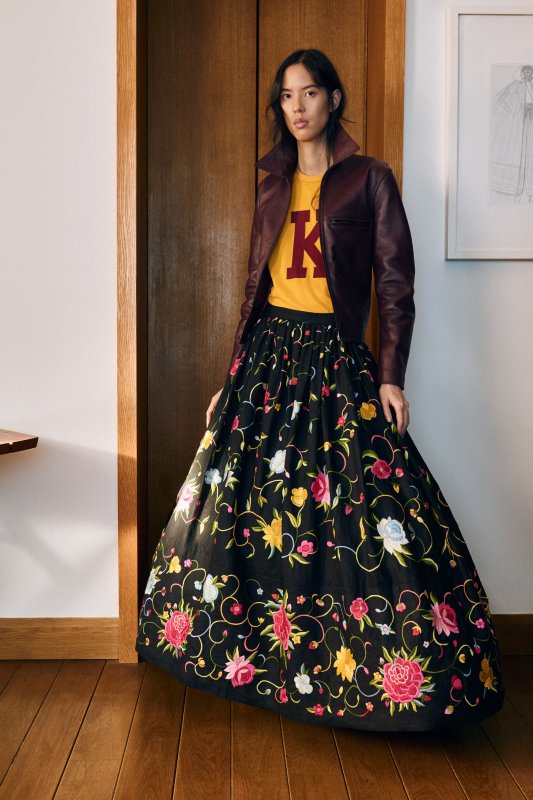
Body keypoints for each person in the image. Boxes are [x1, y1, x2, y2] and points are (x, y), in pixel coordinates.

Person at [136, 49, 505, 731]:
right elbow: (254, 288)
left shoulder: (370, 179)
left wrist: (389, 375)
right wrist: (230, 377)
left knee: (362, 509)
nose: (297, 107)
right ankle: (262, 663)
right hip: (268, 357)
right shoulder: (271, 185)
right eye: (286, 96)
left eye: (309, 93)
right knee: (247, 512)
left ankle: (375, 674)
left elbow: (395, 285)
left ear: (334, 99)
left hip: (334, 358)